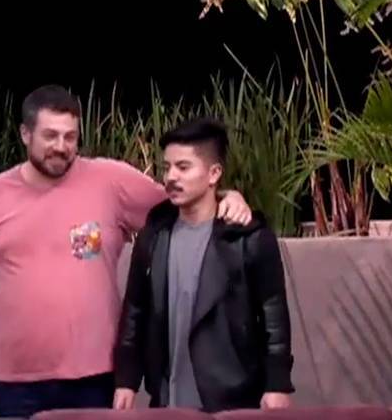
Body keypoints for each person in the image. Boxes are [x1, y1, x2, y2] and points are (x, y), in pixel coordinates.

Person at [0, 85, 253, 419]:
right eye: (50, 136)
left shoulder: (110, 180)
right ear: (25, 134)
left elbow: (182, 202)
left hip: (96, 380)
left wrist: (225, 196)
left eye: (70, 137)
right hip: (16, 384)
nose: (61, 146)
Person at [113, 117, 294, 413]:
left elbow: (274, 318)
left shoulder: (248, 238)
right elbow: (135, 311)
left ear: (214, 173)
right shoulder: (154, 236)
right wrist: (126, 380)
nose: (171, 177)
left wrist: (278, 385)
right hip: (167, 402)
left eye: (183, 167)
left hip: (233, 398)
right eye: (167, 167)